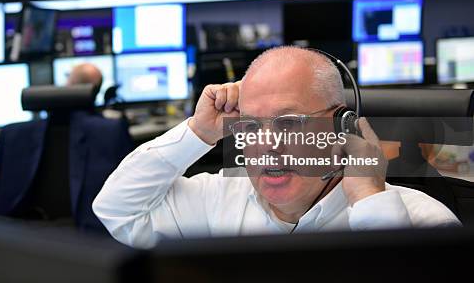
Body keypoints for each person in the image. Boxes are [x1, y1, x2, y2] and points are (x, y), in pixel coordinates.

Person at [93, 47, 460, 248]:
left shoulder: (423, 223)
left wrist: (368, 198)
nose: (266, 146)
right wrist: (198, 132)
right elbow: (118, 211)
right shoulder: (219, 197)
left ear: (339, 127)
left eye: (289, 123)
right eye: (251, 126)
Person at [0, 63, 133, 233]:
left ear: (68, 85)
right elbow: (128, 188)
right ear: (95, 91)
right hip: (91, 239)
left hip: (20, 236)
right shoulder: (112, 130)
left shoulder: (12, 133)